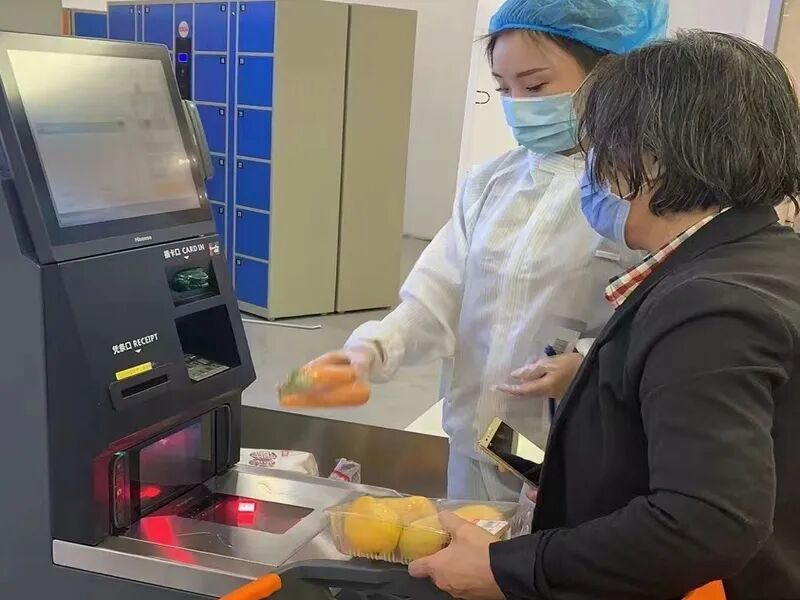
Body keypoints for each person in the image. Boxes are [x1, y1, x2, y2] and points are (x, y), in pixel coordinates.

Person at [408, 31, 800, 599]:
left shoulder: (710, 305)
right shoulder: (762, 256)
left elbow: (705, 523)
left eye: (598, 149)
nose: (591, 172)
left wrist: (509, 569)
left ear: (653, 157)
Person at [310, 0, 666, 501]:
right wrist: (373, 349)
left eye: (535, 86)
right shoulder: (493, 182)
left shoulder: (644, 196)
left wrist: (587, 366)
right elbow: (439, 295)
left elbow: (664, 326)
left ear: (609, 76)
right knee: (471, 543)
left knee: (540, 546)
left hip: (569, 453)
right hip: (480, 440)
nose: (518, 104)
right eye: (504, 88)